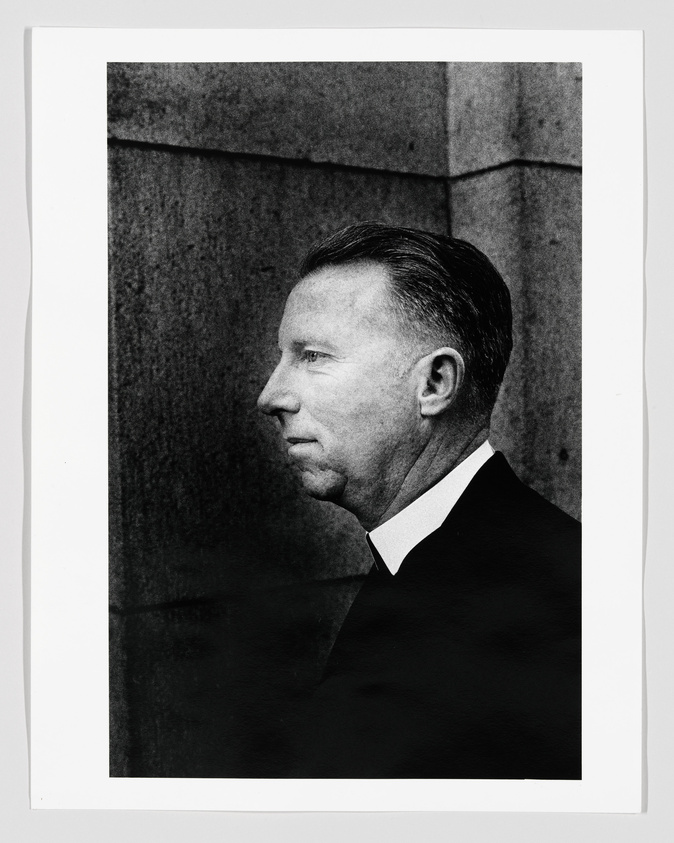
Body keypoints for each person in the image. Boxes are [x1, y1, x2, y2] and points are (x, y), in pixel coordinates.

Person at [257, 222, 581, 779]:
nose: (272, 395)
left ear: (435, 383)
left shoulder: (510, 609)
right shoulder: (493, 556)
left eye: (313, 355)